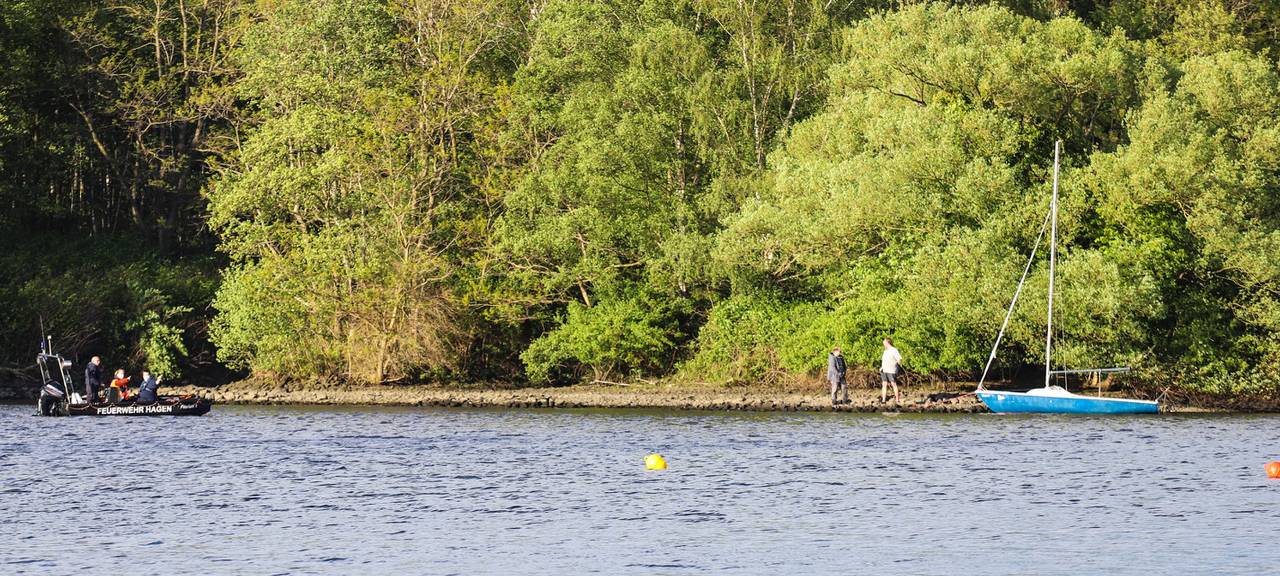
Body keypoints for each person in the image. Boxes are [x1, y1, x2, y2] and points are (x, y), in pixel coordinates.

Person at [880, 338, 903, 404]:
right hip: (884, 370)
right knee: (884, 384)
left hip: (891, 370)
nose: (883, 344)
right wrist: (881, 367)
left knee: (893, 384)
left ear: (888, 343)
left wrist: (898, 364)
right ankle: (883, 400)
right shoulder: (885, 351)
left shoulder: (894, 350)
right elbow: (883, 360)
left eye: (884, 343)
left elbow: (899, 359)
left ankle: (897, 400)